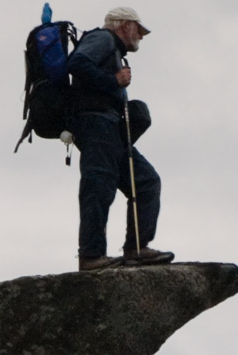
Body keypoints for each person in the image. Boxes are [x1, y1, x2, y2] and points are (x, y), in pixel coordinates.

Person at [68, 6, 174, 271]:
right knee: (99, 186)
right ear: (125, 25)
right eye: (138, 29)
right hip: (96, 123)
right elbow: (77, 63)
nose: (141, 35)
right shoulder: (103, 39)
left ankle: (136, 249)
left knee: (146, 182)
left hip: (111, 128)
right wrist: (113, 80)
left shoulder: (114, 50)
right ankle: (91, 256)